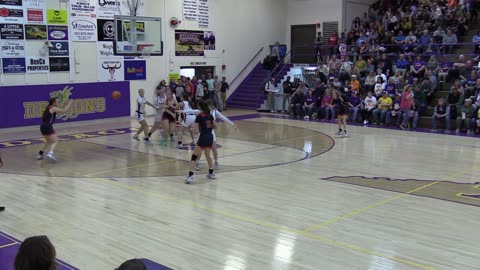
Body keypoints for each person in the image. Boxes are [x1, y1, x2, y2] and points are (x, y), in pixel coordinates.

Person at [185, 100, 216, 184]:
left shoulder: (199, 116)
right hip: (210, 137)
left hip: (203, 137)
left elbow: (196, 130)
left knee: (194, 157)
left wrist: (190, 129)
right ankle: (211, 173)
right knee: (207, 155)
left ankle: (191, 176)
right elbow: (214, 126)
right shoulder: (210, 115)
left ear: (200, 107)